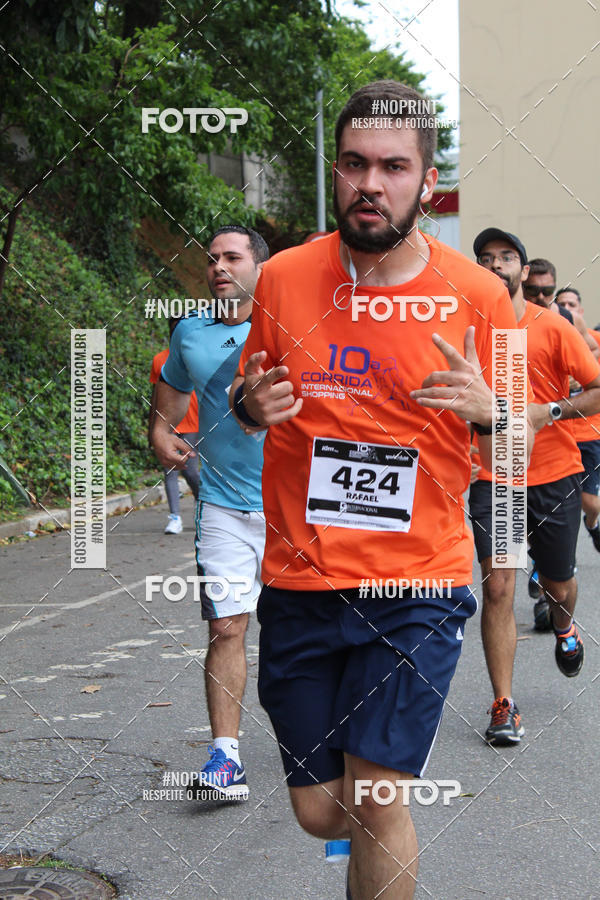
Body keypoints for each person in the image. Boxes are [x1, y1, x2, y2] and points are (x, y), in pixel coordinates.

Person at [230, 81, 531, 900]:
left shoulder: (479, 296)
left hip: (418, 584)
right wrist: (246, 406)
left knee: (375, 795)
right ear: (337, 173)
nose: (373, 182)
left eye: (394, 166)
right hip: (301, 583)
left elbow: (519, 435)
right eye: (357, 164)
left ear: (425, 182)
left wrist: (493, 413)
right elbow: (249, 397)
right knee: (322, 812)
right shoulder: (285, 279)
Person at [469, 228, 600, 748]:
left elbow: (595, 390)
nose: (496, 265)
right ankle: (504, 703)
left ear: (524, 272)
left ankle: (566, 627)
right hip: (493, 479)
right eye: (485, 258)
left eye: (507, 257)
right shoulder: (470, 330)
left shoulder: (553, 327)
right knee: (499, 586)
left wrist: (547, 413)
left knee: (558, 585)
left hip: (553, 475)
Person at [151, 225, 269, 799]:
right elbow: (172, 387)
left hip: (294, 507)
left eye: (232, 257)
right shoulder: (190, 332)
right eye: (212, 259)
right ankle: (225, 759)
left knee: (308, 630)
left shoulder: (286, 327)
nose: (219, 266)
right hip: (222, 504)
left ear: (258, 268)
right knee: (226, 626)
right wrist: (160, 426)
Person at [555, 287, 600, 551]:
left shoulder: (592, 340)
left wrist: (581, 365)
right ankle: (545, 562)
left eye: (572, 305)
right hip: (560, 434)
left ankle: (593, 524)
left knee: (590, 503)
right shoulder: (553, 335)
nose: (567, 309)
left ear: (580, 311)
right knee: (558, 505)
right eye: (563, 305)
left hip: (591, 434)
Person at [149, 319, 200, 534]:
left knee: (189, 470)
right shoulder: (160, 359)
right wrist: (152, 426)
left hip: (192, 421)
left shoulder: (198, 354)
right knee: (169, 469)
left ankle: (203, 505)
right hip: (168, 423)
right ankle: (175, 518)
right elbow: (155, 394)